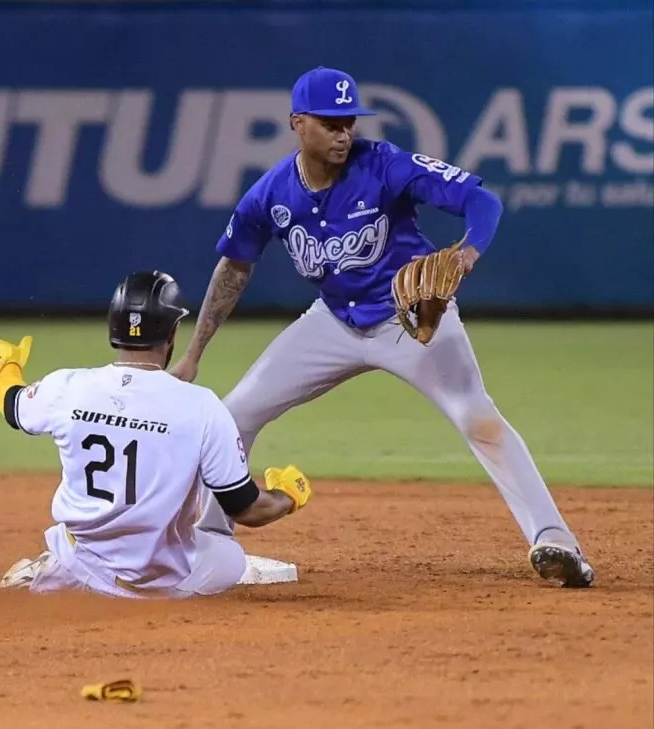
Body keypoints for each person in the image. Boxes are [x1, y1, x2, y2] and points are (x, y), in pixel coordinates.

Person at [171, 66, 594, 588]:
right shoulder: (271, 194)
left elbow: (483, 201)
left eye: (348, 122)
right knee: (232, 414)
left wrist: (467, 251)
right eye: (329, 123)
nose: (343, 133)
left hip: (412, 320)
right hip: (332, 322)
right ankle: (211, 539)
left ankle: (555, 539)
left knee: (479, 420)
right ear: (298, 123)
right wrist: (194, 353)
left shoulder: (386, 165)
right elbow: (234, 266)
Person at [0, 270, 312, 599]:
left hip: (81, 561)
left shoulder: (67, 386)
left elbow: (12, 405)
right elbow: (248, 509)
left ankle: (59, 573)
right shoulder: (201, 406)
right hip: (158, 581)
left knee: (76, 546)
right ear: (172, 332)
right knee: (229, 557)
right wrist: (288, 496)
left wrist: (6, 368)